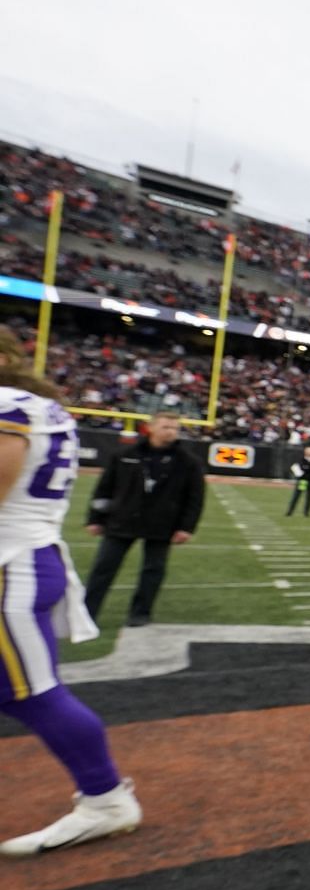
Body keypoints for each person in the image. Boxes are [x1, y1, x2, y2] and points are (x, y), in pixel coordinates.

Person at [0, 333, 143, 857]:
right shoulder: (38, 406)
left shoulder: (9, 406)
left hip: (10, 565)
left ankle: (105, 800)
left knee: (33, 693)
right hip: (26, 556)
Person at [82, 410, 204, 628]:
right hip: (121, 520)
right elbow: (104, 488)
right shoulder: (124, 454)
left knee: (153, 570)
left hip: (162, 523)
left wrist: (186, 527)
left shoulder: (188, 462)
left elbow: (194, 498)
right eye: (166, 427)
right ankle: (87, 612)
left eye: (175, 428)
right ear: (151, 428)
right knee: (103, 568)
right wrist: (95, 518)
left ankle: (140, 612)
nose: (171, 432)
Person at [286, 444, 310, 517]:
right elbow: (304, 468)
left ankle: (306, 513)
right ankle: (290, 511)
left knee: (309, 498)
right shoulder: (303, 460)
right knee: (296, 496)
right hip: (303, 481)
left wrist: (308, 469)